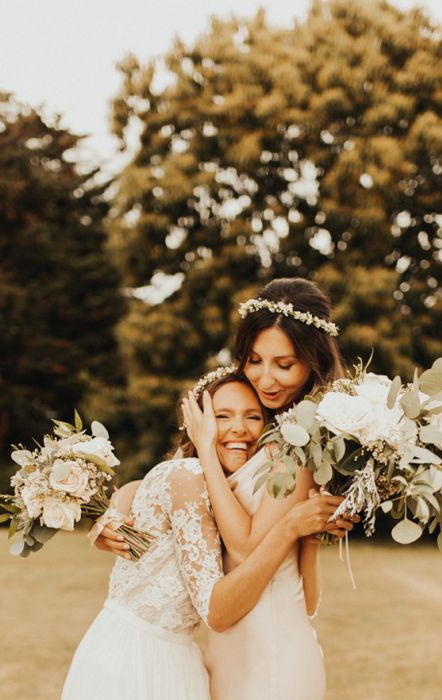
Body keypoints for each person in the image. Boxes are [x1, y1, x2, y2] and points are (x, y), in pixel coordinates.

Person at [98, 278, 348, 700]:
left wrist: (206, 450)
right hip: (231, 644)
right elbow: (166, 483)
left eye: (284, 365)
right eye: (254, 360)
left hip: (270, 651)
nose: (266, 379)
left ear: (313, 363)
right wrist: (112, 511)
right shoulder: (262, 432)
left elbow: (249, 546)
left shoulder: (302, 446)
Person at [61, 373, 345, 700]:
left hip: (178, 657)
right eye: (222, 416)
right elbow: (217, 611)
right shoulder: (189, 475)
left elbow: (307, 603)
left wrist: (309, 536)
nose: (239, 427)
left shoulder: (241, 497)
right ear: (196, 425)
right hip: (140, 660)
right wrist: (290, 527)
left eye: (253, 416)